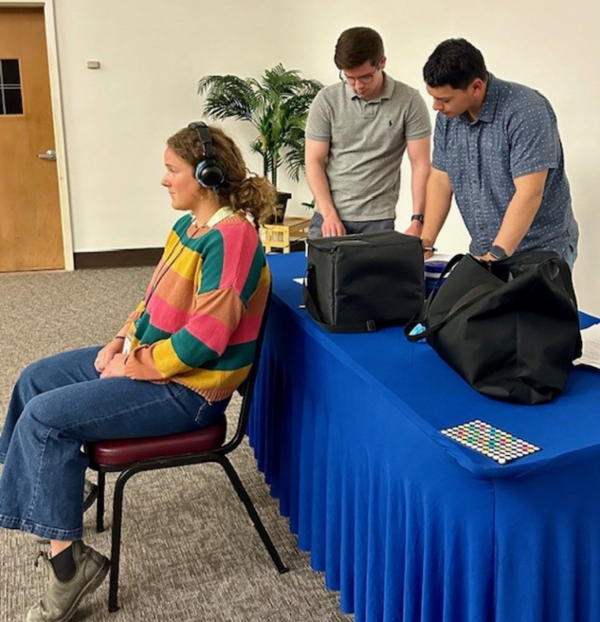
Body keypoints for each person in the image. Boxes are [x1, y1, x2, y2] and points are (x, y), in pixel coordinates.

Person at [0, 122, 274, 622]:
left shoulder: (232, 241)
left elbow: (205, 341)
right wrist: (120, 341)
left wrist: (136, 364)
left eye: (172, 171)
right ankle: (52, 495)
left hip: (188, 392)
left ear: (207, 175)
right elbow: (149, 304)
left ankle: (69, 567)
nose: (164, 180)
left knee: (43, 418)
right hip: (149, 361)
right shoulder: (188, 228)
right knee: (34, 377)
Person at [420, 38, 579, 267]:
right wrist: (426, 243)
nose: (435, 106)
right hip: (485, 252)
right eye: (433, 97)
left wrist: (496, 256)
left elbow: (530, 192)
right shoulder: (448, 117)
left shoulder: (526, 111)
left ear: (476, 87)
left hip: (539, 253)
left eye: (444, 99)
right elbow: (441, 178)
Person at [305, 26, 431, 239]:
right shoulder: (326, 100)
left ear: (382, 63)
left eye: (365, 77)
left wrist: (418, 220)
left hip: (378, 220)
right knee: (321, 273)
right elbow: (313, 161)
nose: (357, 86)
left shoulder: (409, 101)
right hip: (328, 218)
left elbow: (420, 164)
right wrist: (329, 215)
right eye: (349, 78)